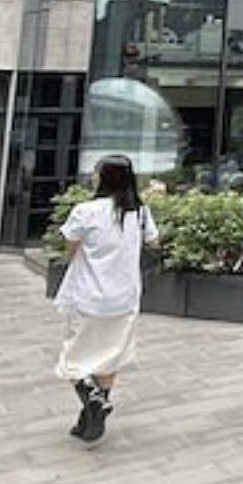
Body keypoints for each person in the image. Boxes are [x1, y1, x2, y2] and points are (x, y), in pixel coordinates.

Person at [54, 155, 160, 442]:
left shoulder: (85, 211)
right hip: (124, 296)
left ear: (105, 178)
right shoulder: (139, 212)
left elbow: (70, 249)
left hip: (88, 294)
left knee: (74, 357)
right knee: (109, 357)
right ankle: (91, 421)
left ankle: (92, 401)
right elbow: (154, 243)